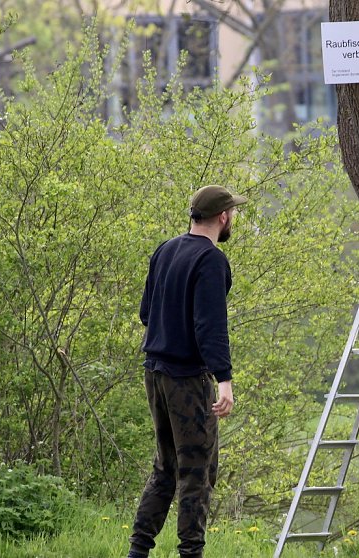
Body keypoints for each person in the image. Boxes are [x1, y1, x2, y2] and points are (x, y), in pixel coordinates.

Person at [127, 185, 245, 558]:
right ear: (223, 216)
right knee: (198, 470)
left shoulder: (166, 250)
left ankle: (137, 551)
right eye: (233, 213)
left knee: (166, 467)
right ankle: (191, 553)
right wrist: (223, 380)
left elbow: (147, 313)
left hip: (154, 373)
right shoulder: (211, 260)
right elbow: (210, 326)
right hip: (185, 380)